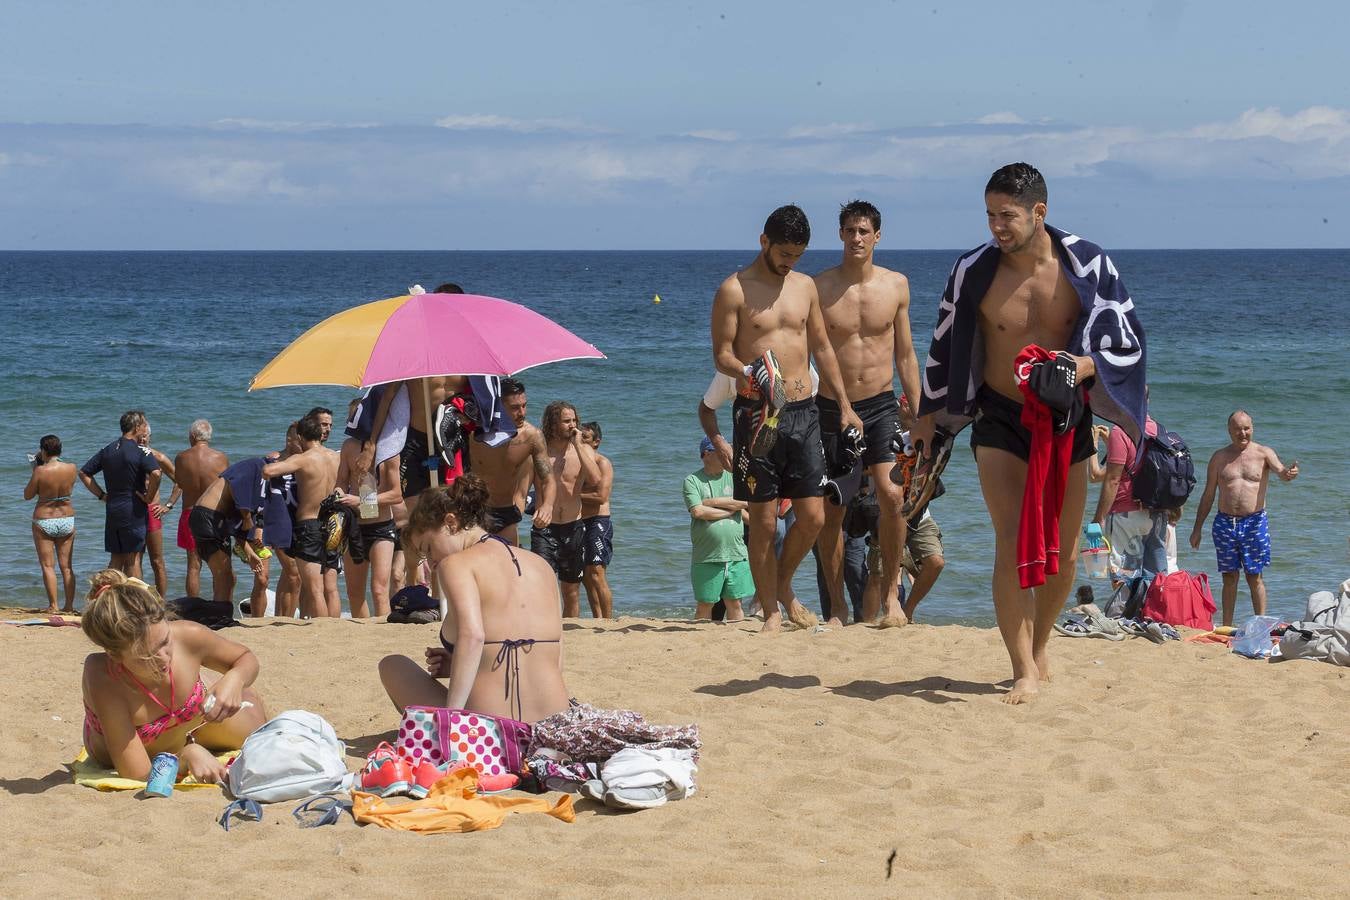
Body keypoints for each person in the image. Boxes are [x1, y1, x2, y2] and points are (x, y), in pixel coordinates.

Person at [912, 163, 1147, 704]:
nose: (997, 225)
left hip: (1066, 418)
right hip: (999, 415)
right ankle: (1021, 667)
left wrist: (1080, 367)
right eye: (990, 214)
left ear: (1040, 212)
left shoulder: (1087, 265)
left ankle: (1040, 643)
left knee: (1064, 555)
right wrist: (928, 416)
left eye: (1007, 215)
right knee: (1012, 538)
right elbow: (944, 343)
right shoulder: (974, 270)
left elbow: (1125, 340)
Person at [710, 204, 862, 633]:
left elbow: (823, 346)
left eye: (797, 255)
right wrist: (747, 371)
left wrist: (846, 404)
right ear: (764, 241)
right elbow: (721, 352)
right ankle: (773, 613)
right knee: (761, 521)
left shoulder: (805, 287)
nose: (790, 262)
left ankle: (780, 585)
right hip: (757, 413)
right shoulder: (733, 290)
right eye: (784, 254)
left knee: (812, 517)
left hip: (804, 411)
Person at [378, 476, 570, 724]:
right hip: (553, 725)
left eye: (428, 548)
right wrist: (462, 664)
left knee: (392, 665)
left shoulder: (455, 565)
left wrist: (452, 720)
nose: (432, 563)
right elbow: (555, 653)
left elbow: (473, 636)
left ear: (450, 523)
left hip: (491, 730)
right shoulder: (540, 565)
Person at [812, 200, 921, 627]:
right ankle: (838, 606)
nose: (857, 238)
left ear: (877, 236)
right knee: (833, 510)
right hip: (833, 409)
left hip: (881, 405)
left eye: (864, 231)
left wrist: (918, 407)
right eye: (850, 230)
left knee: (893, 498)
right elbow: (812, 353)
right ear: (840, 234)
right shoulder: (819, 288)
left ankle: (892, 596)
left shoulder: (896, 285)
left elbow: (907, 353)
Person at [79, 569, 268, 782]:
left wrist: (235, 680)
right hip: (147, 747)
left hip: (193, 721)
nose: (163, 658)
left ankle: (224, 689)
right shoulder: (103, 676)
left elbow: (246, 658)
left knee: (258, 735)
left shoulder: (186, 635)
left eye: (165, 642)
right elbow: (136, 773)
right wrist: (186, 756)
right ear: (115, 655)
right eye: (146, 655)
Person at [1189, 410, 1299, 626]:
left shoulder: (1263, 453)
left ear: (1253, 428)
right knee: (1229, 577)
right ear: (1229, 430)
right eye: (1237, 429)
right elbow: (1208, 494)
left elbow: (1281, 472)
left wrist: (1289, 473)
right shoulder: (1219, 458)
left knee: (1254, 576)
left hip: (1254, 522)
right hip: (1225, 523)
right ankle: (1227, 627)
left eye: (1246, 428)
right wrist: (1197, 528)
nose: (1243, 433)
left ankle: (1260, 626)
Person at [263, 413, 340, 618]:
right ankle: (335, 628)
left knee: (315, 589)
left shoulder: (303, 459)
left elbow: (269, 471)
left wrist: (271, 461)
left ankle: (323, 628)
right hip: (334, 523)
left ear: (300, 437)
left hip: (309, 524)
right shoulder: (335, 456)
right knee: (330, 588)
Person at [1089, 398, 1176, 581]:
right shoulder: (1160, 430)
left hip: (1125, 515)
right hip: (1156, 514)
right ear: (1149, 400)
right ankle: (1151, 610)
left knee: (1123, 579)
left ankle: (1124, 610)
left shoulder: (1121, 431)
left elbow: (1113, 479)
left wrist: (1098, 518)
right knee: (1156, 579)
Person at [531, 401, 601, 618]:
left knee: (570, 591)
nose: (572, 425)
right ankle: (544, 628)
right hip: (545, 527)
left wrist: (579, 445)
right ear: (553, 423)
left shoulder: (583, 450)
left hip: (573, 526)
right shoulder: (540, 451)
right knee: (542, 585)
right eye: (566, 421)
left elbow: (595, 479)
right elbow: (522, 484)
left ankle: (570, 632)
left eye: (574, 420)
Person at [336, 399, 403, 618]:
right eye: (350, 417)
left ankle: (383, 634)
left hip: (381, 527)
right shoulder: (348, 446)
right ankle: (362, 637)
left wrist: (362, 501)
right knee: (354, 593)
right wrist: (337, 495)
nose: (351, 421)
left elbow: (395, 494)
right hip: (354, 525)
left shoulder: (388, 449)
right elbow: (341, 481)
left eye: (355, 416)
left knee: (379, 589)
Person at [470, 377, 555, 546]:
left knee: (510, 568)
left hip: (505, 512)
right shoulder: (474, 433)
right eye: (515, 408)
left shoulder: (532, 436)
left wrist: (547, 506)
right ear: (499, 406)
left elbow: (548, 479)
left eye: (524, 405)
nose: (522, 413)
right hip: (474, 511)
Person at [79, 411, 162, 578]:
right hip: (133, 511)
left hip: (113, 510)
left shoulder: (108, 449)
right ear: (137, 427)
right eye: (144, 424)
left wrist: (102, 495)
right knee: (133, 560)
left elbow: (83, 473)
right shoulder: (141, 451)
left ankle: (104, 599)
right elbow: (156, 473)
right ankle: (134, 602)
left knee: (116, 559)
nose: (146, 428)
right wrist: (149, 497)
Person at [684, 437, 752, 622]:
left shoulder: (734, 477)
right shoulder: (693, 480)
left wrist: (712, 503)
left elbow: (746, 503)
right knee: (705, 604)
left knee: (735, 602)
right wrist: (731, 512)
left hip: (736, 553)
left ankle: (735, 639)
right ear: (706, 454)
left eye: (728, 451)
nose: (728, 456)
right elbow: (698, 511)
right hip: (707, 556)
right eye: (722, 452)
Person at [186, 457, 272, 603]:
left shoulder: (259, 482)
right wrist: (246, 517)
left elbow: (237, 529)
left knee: (229, 577)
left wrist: (250, 554)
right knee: (224, 577)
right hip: (209, 516)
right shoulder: (256, 465)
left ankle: (223, 616)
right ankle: (220, 620)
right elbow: (237, 485)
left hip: (211, 518)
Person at [169, 420, 229, 599]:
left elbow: (180, 482)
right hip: (214, 513)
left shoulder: (181, 458)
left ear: (193, 436)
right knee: (218, 567)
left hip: (190, 512)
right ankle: (218, 604)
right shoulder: (221, 458)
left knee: (193, 566)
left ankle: (193, 605)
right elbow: (227, 486)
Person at [26, 435, 78, 614]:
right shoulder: (72, 468)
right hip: (67, 518)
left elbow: (28, 495)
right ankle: (69, 606)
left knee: (48, 566)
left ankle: (54, 606)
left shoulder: (40, 471)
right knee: (67, 567)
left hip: (45, 519)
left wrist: (36, 468)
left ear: (43, 451)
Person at [136, 424, 178, 600]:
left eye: (145, 436)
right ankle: (139, 601)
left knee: (157, 561)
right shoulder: (130, 457)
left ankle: (161, 602)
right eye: (139, 436)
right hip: (134, 511)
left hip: (153, 511)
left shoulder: (158, 457)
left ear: (150, 437)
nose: (142, 439)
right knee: (134, 560)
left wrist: (168, 505)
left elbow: (179, 480)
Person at [578, 421, 614, 619]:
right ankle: (597, 619)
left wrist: (573, 495)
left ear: (596, 442)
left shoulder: (602, 463)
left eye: (585, 438)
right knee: (585, 577)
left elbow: (601, 497)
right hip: (577, 521)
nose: (579, 442)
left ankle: (608, 621)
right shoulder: (574, 464)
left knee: (597, 573)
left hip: (598, 520)